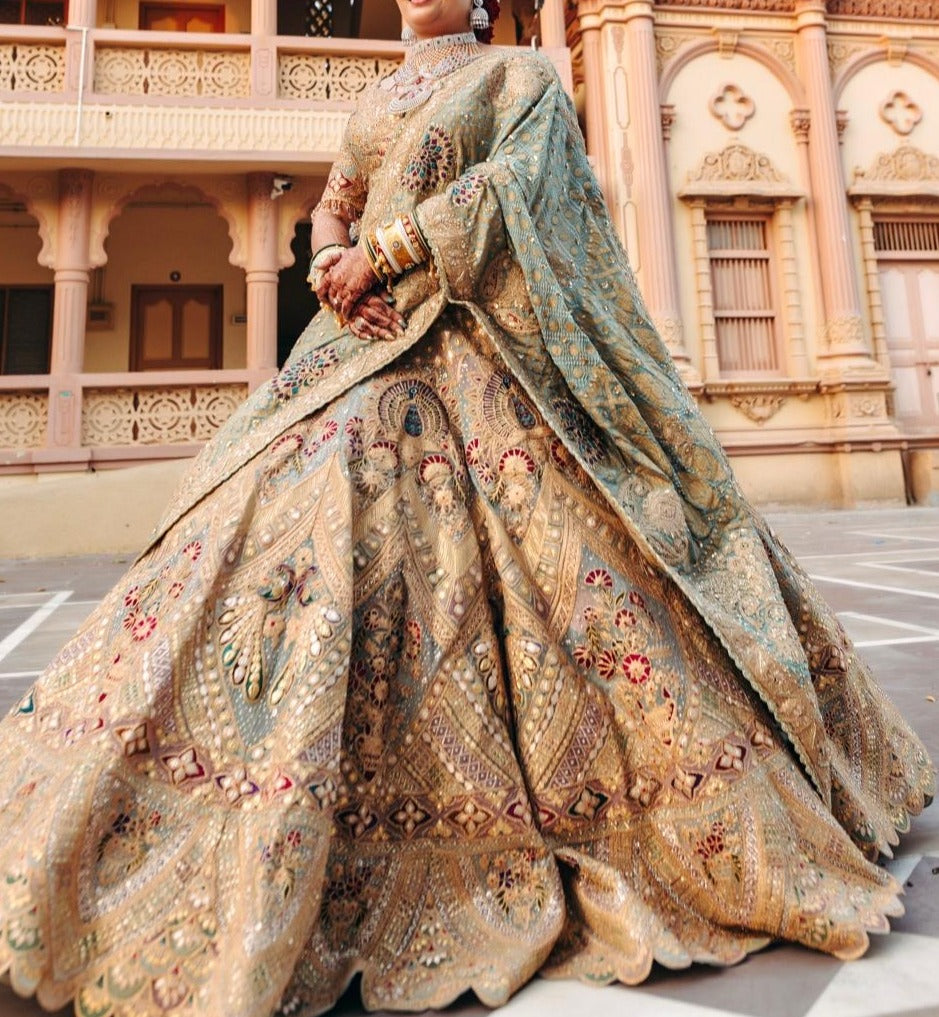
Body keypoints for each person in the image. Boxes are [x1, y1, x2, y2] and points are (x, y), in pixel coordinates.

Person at [0, 1, 933, 1014]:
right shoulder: (373, 98)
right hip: (355, 346)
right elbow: (332, 201)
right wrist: (328, 260)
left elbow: (518, 191)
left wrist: (390, 251)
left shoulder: (519, 76)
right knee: (250, 517)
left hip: (479, 351)